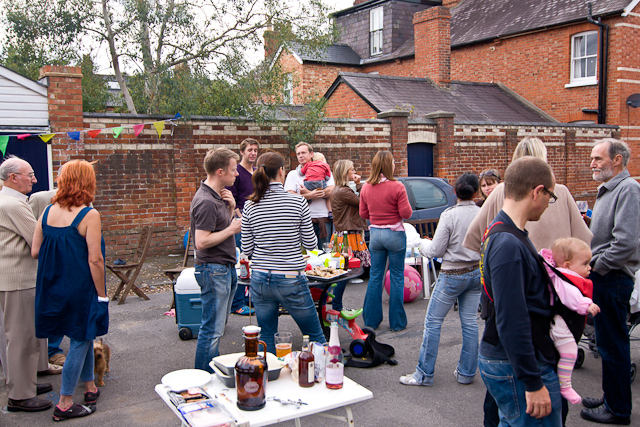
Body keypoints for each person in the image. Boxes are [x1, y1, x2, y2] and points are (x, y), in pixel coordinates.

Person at [479, 156, 562, 426]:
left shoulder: (507, 234)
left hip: (510, 359)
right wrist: (532, 381)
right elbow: (511, 318)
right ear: (537, 191)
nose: (549, 204)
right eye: (550, 196)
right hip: (515, 364)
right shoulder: (508, 243)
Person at [31, 160, 108, 421]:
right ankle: (64, 403)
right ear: (88, 181)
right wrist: (102, 294)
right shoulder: (90, 214)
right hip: (80, 287)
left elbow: (35, 252)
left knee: (83, 336)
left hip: (53, 286)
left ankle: (89, 387)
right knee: (80, 339)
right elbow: (95, 260)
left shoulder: (47, 211)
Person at [400, 172, 481, 386]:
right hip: (474, 272)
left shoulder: (449, 215)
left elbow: (436, 249)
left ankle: (424, 374)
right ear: (476, 192)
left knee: (433, 323)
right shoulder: (482, 214)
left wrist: (420, 244)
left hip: (452, 274)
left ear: (455, 192)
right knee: (470, 324)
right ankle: (466, 373)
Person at [241, 152, 326, 353]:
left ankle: (269, 377)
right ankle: (325, 374)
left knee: (267, 336)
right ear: (281, 171)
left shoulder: (250, 205)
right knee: (314, 334)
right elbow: (311, 244)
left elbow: (247, 249)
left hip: (260, 277)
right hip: (290, 278)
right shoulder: (297, 202)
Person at [580, 138, 639, 425]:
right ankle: (611, 397)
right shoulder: (611, 189)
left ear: (617, 160)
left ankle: (618, 410)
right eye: (592, 158)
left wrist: (597, 267)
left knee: (613, 345)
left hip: (612, 279)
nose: (592, 163)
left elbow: (626, 242)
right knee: (606, 344)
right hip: (605, 278)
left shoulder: (629, 189)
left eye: (598, 159)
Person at [464, 137, 592, 253]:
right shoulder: (561, 191)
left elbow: (474, 236)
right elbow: (584, 238)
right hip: (557, 272)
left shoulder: (501, 191)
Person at [0, 157, 52, 413]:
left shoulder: (9, 200)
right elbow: (38, 238)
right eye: (29, 174)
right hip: (18, 279)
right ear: (13, 178)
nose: (34, 179)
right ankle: (19, 396)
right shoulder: (13, 204)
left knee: (21, 335)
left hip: (13, 278)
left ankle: (26, 382)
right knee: (21, 338)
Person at [190, 148, 241, 372]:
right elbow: (201, 241)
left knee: (217, 328)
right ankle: (204, 380)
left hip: (223, 268)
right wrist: (231, 229)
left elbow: (217, 229)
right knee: (211, 330)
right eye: (233, 169)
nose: (237, 174)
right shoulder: (205, 201)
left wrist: (230, 209)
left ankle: (211, 372)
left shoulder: (217, 196)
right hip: (213, 270)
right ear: (220, 172)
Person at [539, 237, 600, 405]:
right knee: (570, 353)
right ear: (567, 265)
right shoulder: (565, 279)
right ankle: (565, 385)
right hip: (561, 327)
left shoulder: (563, 275)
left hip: (560, 324)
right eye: (585, 264)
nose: (589, 268)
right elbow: (572, 297)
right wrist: (587, 305)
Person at [359, 150, 413, 331]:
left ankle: (371, 321)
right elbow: (406, 214)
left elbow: (363, 214)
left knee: (375, 276)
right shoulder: (397, 187)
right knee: (397, 276)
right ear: (389, 165)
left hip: (375, 235)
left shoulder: (366, 187)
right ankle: (397, 323)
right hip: (395, 233)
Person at [29, 188, 67, 369]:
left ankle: (54, 349)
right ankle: (49, 351)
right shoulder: (39, 199)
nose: (34, 179)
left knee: (64, 308)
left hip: (69, 266)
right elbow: (31, 231)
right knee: (50, 307)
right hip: (47, 264)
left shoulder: (86, 203)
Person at [328, 160, 371, 312]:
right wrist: (360, 184)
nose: (354, 172)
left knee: (343, 272)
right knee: (344, 273)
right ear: (345, 172)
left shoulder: (340, 189)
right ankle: (336, 307)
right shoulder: (343, 191)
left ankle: (335, 305)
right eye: (352, 170)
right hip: (347, 236)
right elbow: (364, 202)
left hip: (345, 234)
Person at [226, 137, 259, 316]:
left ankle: (249, 299)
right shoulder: (237, 171)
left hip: (256, 224)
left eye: (255, 150)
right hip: (241, 224)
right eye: (249, 150)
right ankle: (237, 303)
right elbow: (232, 198)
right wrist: (241, 218)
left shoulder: (256, 171)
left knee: (253, 262)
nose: (253, 153)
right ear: (242, 152)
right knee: (242, 262)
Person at [284, 142, 334, 247]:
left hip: (324, 221)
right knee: (304, 256)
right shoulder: (293, 174)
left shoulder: (323, 169)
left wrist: (310, 193)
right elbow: (289, 196)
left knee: (325, 254)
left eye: (303, 153)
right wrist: (310, 195)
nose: (301, 156)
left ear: (311, 154)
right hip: (302, 222)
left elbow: (332, 190)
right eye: (298, 154)